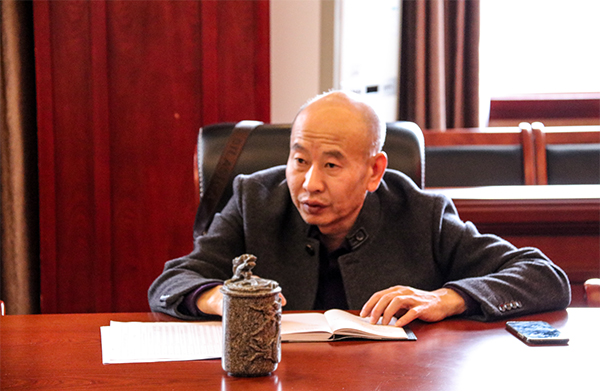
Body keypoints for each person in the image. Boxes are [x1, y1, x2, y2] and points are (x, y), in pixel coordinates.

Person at [148, 90, 570, 327]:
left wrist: (448, 298)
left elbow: (544, 276)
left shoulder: (421, 214)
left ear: (374, 171)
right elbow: (172, 282)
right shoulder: (253, 199)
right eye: (299, 160)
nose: (310, 183)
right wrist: (220, 299)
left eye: (331, 165)